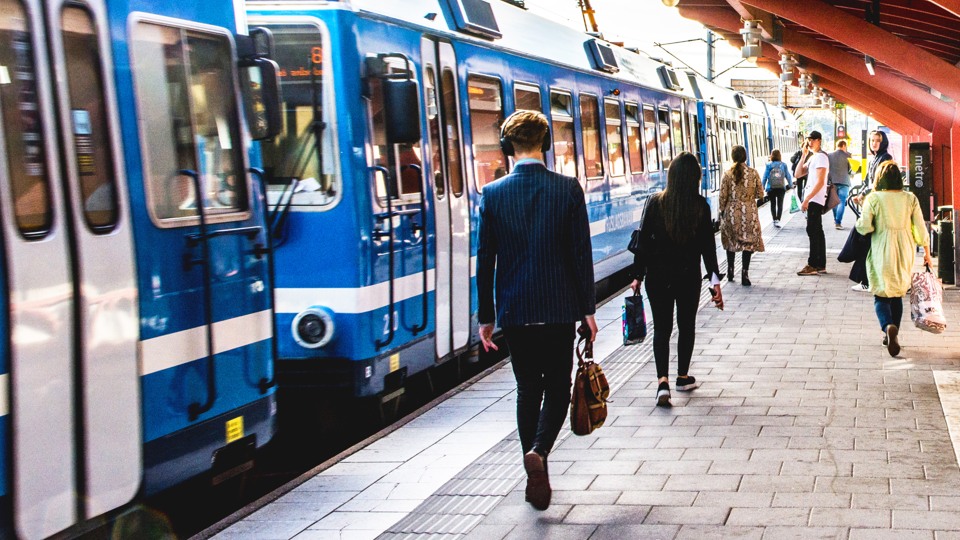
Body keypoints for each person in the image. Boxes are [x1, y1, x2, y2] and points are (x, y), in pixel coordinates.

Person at [476, 110, 597, 511]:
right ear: (545, 145)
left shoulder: (492, 194)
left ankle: (531, 459)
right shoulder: (568, 189)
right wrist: (588, 310)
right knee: (558, 389)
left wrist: (486, 317)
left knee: (527, 389)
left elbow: (485, 261)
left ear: (509, 147)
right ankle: (541, 452)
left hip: (516, 310)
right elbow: (580, 254)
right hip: (559, 308)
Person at [630, 152, 723, 408]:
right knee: (686, 325)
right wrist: (715, 282)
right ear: (695, 177)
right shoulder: (701, 207)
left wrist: (637, 277)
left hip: (657, 278)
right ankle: (683, 377)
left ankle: (662, 382)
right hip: (687, 278)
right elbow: (708, 248)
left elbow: (642, 245)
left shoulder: (654, 202)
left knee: (662, 329)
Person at [855, 161, 932, 357]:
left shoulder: (873, 198)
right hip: (905, 249)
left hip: (882, 248)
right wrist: (927, 254)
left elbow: (864, 227)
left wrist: (862, 213)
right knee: (897, 293)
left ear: (879, 178)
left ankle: (887, 327)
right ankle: (894, 331)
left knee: (881, 293)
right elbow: (920, 229)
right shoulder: (910, 198)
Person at [850, 130, 894, 291]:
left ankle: (868, 281)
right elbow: (867, 179)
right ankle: (868, 279)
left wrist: (863, 193)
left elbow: (879, 182)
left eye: (877, 140)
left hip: (878, 207)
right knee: (868, 242)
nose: (874, 143)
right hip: (872, 204)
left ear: (883, 142)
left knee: (867, 242)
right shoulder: (875, 158)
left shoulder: (885, 159)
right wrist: (860, 193)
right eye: (872, 140)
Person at [719, 145, 765, 286]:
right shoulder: (753, 173)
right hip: (749, 213)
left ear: (732, 157)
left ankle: (731, 270)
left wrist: (722, 212)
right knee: (748, 243)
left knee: (731, 242)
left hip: (731, 213)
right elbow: (760, 194)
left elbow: (722, 197)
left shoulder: (727, 174)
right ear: (745, 156)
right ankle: (745, 273)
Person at [796, 131, 830, 276]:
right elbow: (797, 174)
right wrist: (803, 155)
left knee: (813, 231)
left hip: (815, 199)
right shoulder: (814, 157)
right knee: (816, 231)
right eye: (808, 140)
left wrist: (807, 199)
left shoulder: (821, 157)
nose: (810, 142)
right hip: (814, 198)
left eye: (813, 140)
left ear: (819, 141)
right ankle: (820, 264)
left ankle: (813, 264)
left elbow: (820, 182)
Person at [762, 149, 793, 228]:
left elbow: (765, 177)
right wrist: (791, 185)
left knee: (773, 204)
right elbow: (788, 176)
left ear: (771, 155)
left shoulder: (768, 165)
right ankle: (778, 220)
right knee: (780, 204)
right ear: (780, 156)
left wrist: (762, 187)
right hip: (781, 188)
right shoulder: (783, 165)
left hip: (771, 188)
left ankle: (774, 219)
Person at [827, 140, 853, 230]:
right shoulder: (848, 155)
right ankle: (838, 222)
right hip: (844, 182)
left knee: (834, 202)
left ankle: (835, 219)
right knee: (842, 201)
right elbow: (850, 169)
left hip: (833, 182)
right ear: (844, 146)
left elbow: (827, 169)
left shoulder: (829, 155)